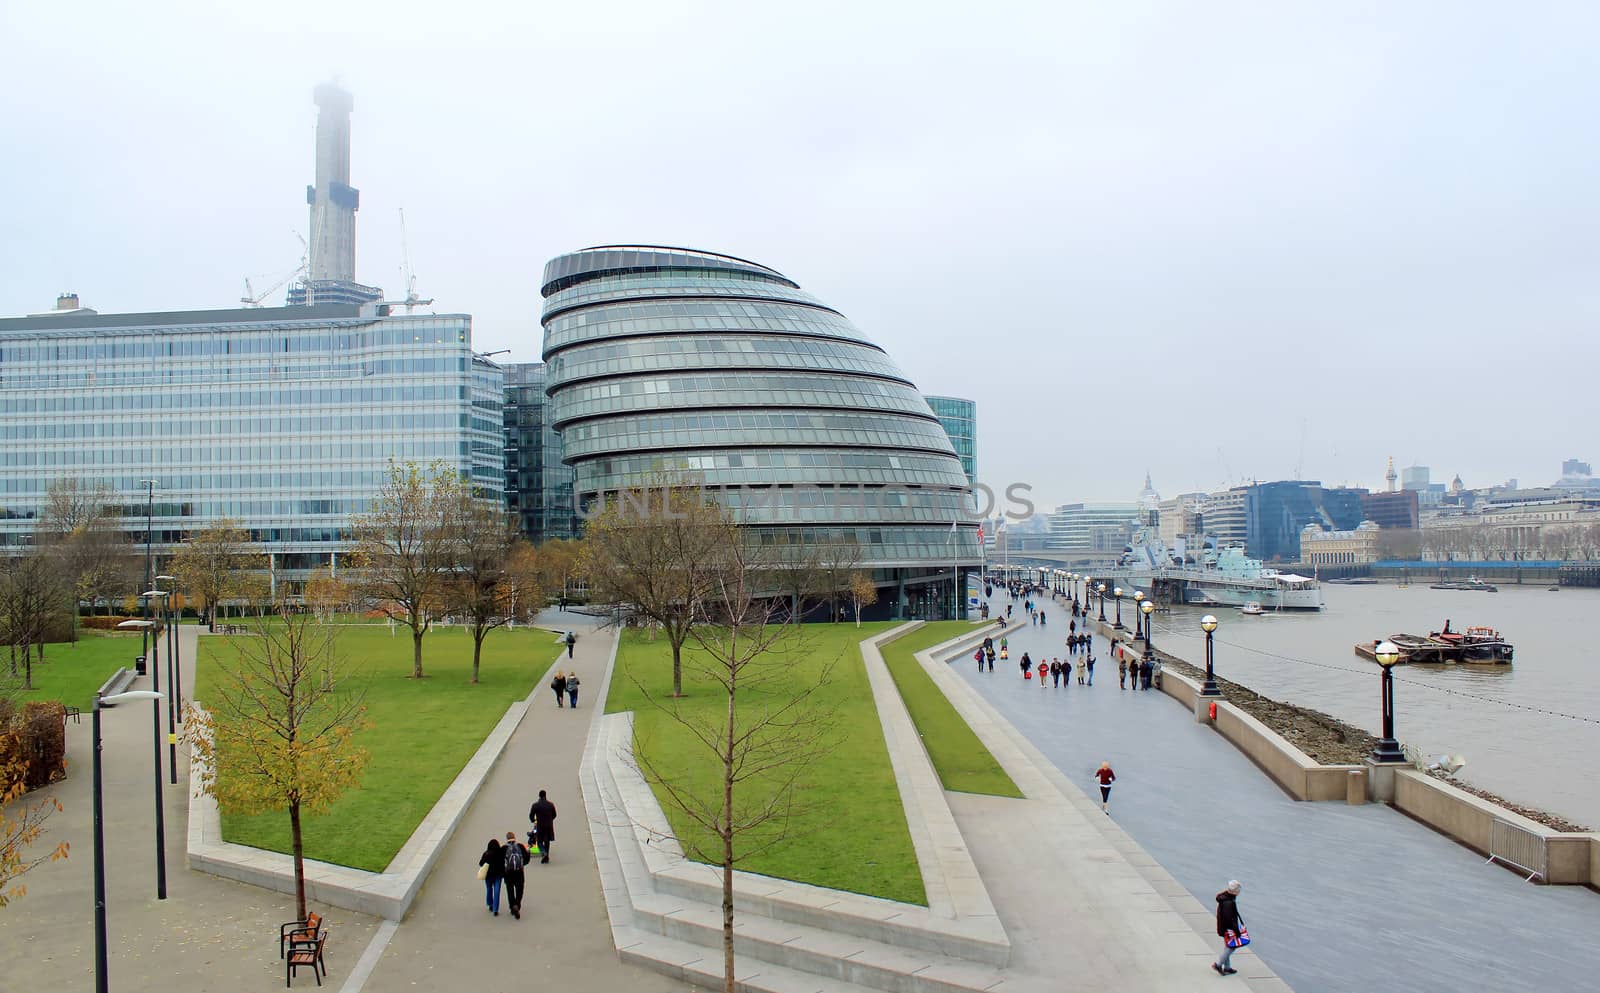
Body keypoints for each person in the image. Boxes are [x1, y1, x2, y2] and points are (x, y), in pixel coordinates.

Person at [1213, 881, 1245, 975]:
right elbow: (1229, 919)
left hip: (1223, 927)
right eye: (1238, 890)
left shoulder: (1225, 898)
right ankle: (1218, 965)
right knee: (1231, 947)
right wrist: (1237, 931)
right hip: (1228, 929)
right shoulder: (1229, 902)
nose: (1239, 892)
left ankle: (1227, 967)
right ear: (1235, 891)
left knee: (1227, 946)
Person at [502, 831, 529, 919]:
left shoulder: (504, 848)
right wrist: (522, 865)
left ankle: (512, 906)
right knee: (519, 889)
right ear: (514, 837)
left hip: (508, 873)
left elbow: (500, 861)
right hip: (519, 872)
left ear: (507, 839)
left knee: (510, 890)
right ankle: (517, 904)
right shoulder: (520, 846)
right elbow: (526, 859)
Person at [529, 789, 558, 864]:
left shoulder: (535, 805)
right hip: (549, 826)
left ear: (539, 796)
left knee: (539, 842)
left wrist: (533, 820)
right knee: (547, 841)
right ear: (545, 796)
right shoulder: (551, 804)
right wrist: (550, 820)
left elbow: (531, 815)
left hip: (540, 826)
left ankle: (544, 852)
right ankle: (546, 857)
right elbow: (554, 814)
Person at [479, 837, 505, 915]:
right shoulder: (500, 853)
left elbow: (481, 863)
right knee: (497, 892)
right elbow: (503, 864)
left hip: (488, 876)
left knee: (489, 889)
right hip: (498, 875)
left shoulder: (486, 853)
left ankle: (490, 903)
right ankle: (495, 909)